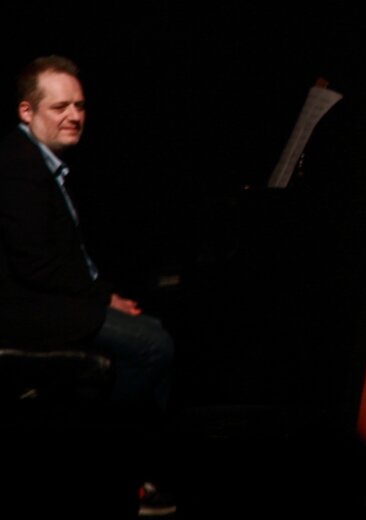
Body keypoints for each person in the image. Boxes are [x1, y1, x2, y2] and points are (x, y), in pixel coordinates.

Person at [0, 55, 176, 516]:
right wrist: (100, 299)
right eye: (59, 107)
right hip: (25, 310)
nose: (74, 116)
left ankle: (141, 473)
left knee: (155, 329)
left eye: (79, 106)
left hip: (48, 298)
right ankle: (107, 467)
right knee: (155, 345)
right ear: (27, 112)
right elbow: (35, 266)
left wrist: (105, 296)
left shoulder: (41, 160)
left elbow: (63, 259)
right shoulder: (17, 167)